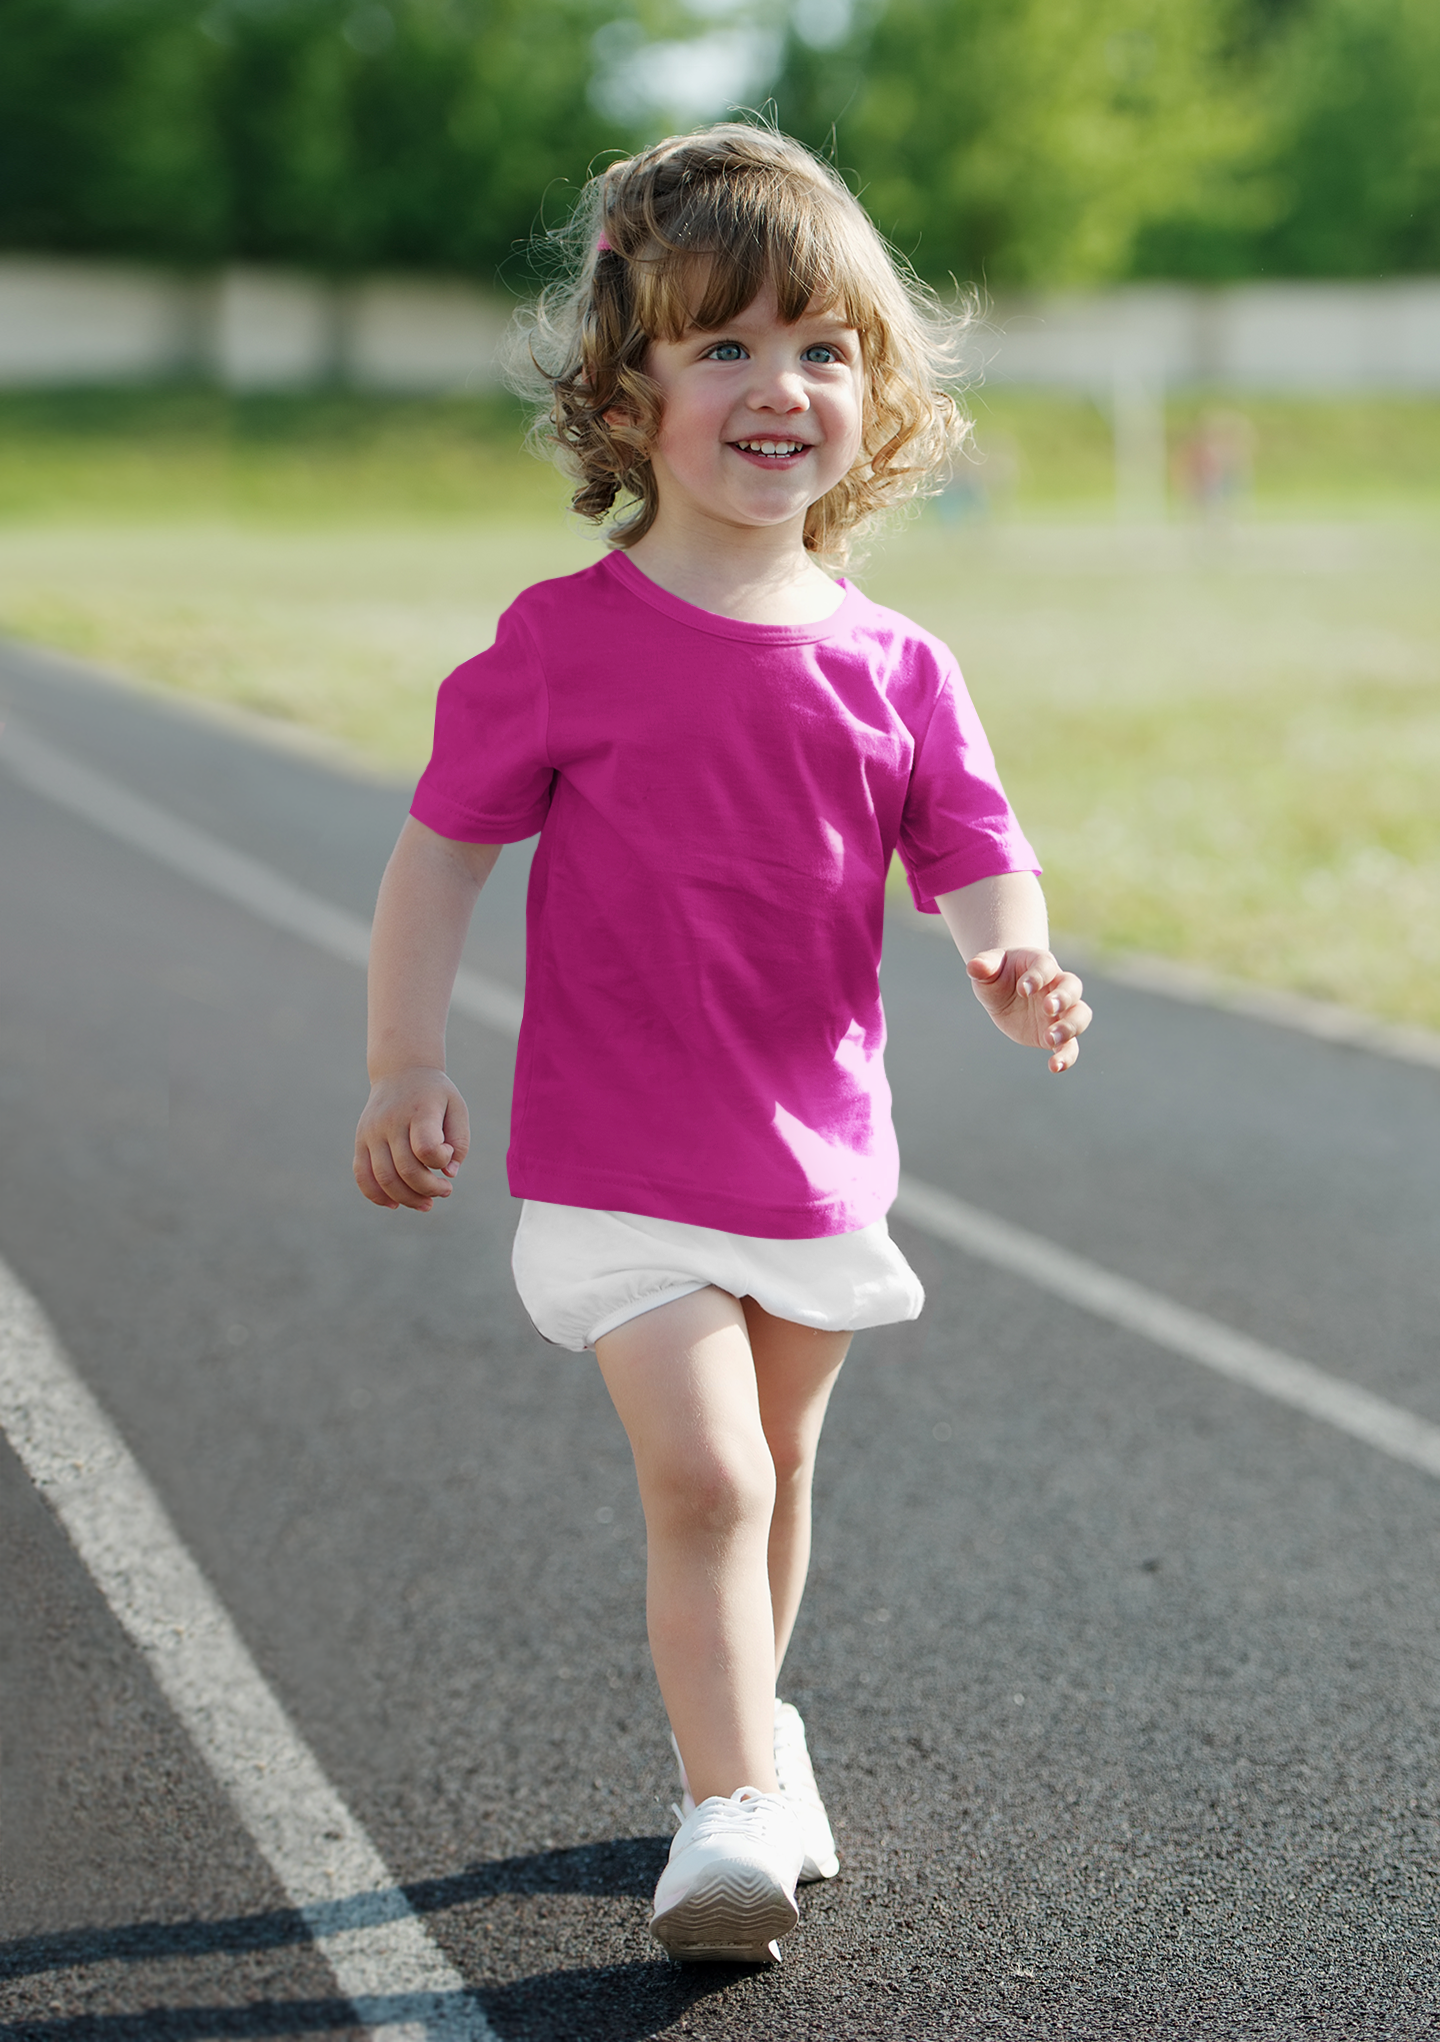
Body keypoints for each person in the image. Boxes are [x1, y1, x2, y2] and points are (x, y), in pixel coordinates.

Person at [353, 123, 1091, 1966]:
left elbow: (975, 852)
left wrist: (1012, 962)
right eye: (726, 346)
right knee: (709, 1478)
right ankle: (730, 1807)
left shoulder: (900, 665)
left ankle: (757, 1736)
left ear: (877, 391)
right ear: (630, 391)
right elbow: (439, 853)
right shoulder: (562, 643)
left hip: (813, 1152)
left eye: (823, 347)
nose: (781, 386)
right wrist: (401, 1062)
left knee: (779, 1474)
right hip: (618, 1155)